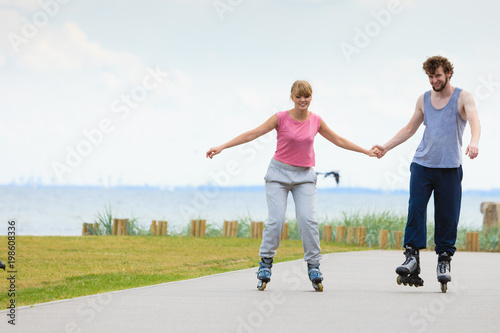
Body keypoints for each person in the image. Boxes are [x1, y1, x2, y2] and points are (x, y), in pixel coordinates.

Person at [207, 80, 378, 291]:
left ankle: (314, 265)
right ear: (292, 97)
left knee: (308, 220)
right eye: (298, 96)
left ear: (311, 97)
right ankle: (266, 263)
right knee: (276, 221)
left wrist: (366, 151)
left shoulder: (316, 121)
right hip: (278, 175)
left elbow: (338, 140)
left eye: (306, 96)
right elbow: (253, 133)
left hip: (304, 176)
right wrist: (222, 146)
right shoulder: (280, 118)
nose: (302, 100)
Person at [373, 56, 481, 292]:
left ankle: (443, 260)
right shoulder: (424, 99)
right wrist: (386, 146)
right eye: (431, 77)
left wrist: (474, 142)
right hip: (422, 165)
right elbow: (409, 128)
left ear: (448, 74)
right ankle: (412, 258)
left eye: (438, 76)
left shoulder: (463, 97)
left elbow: (474, 120)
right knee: (416, 209)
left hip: (450, 168)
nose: (434, 81)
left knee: (447, 216)